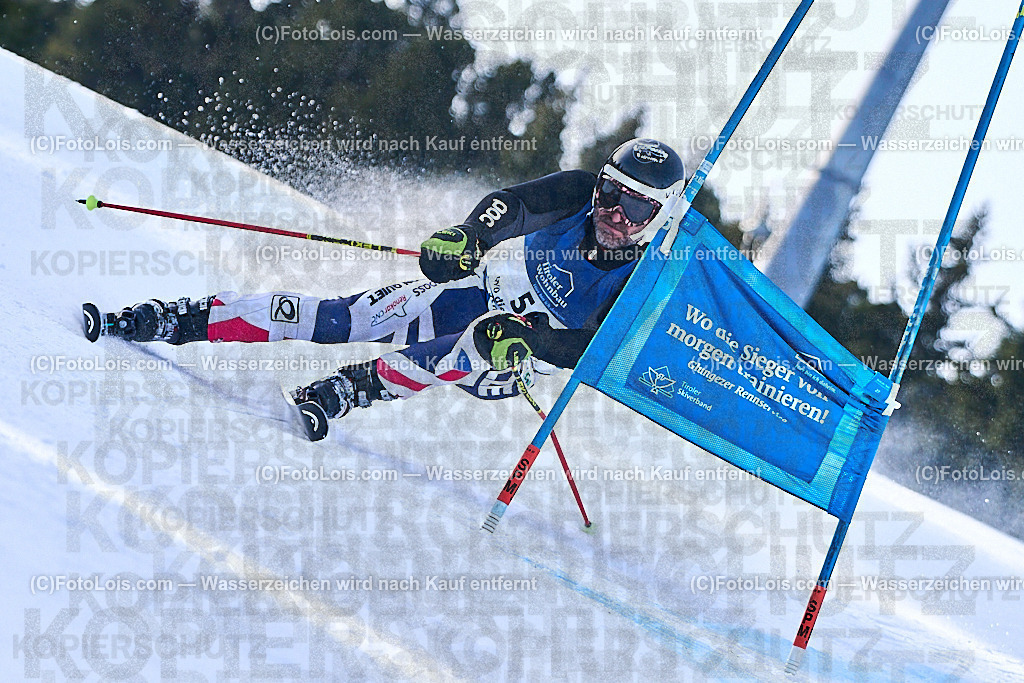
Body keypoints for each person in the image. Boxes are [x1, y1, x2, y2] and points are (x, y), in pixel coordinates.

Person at [89, 138, 687, 437]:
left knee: (480, 339)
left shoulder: (646, 276)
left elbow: (592, 350)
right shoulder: (577, 193)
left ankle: (348, 392)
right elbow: (513, 206)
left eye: (637, 207)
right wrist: (466, 238)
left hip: (518, 359)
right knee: (340, 319)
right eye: (612, 193)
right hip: (482, 294)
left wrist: (533, 343)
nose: (615, 213)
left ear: (658, 216)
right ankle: (177, 318)